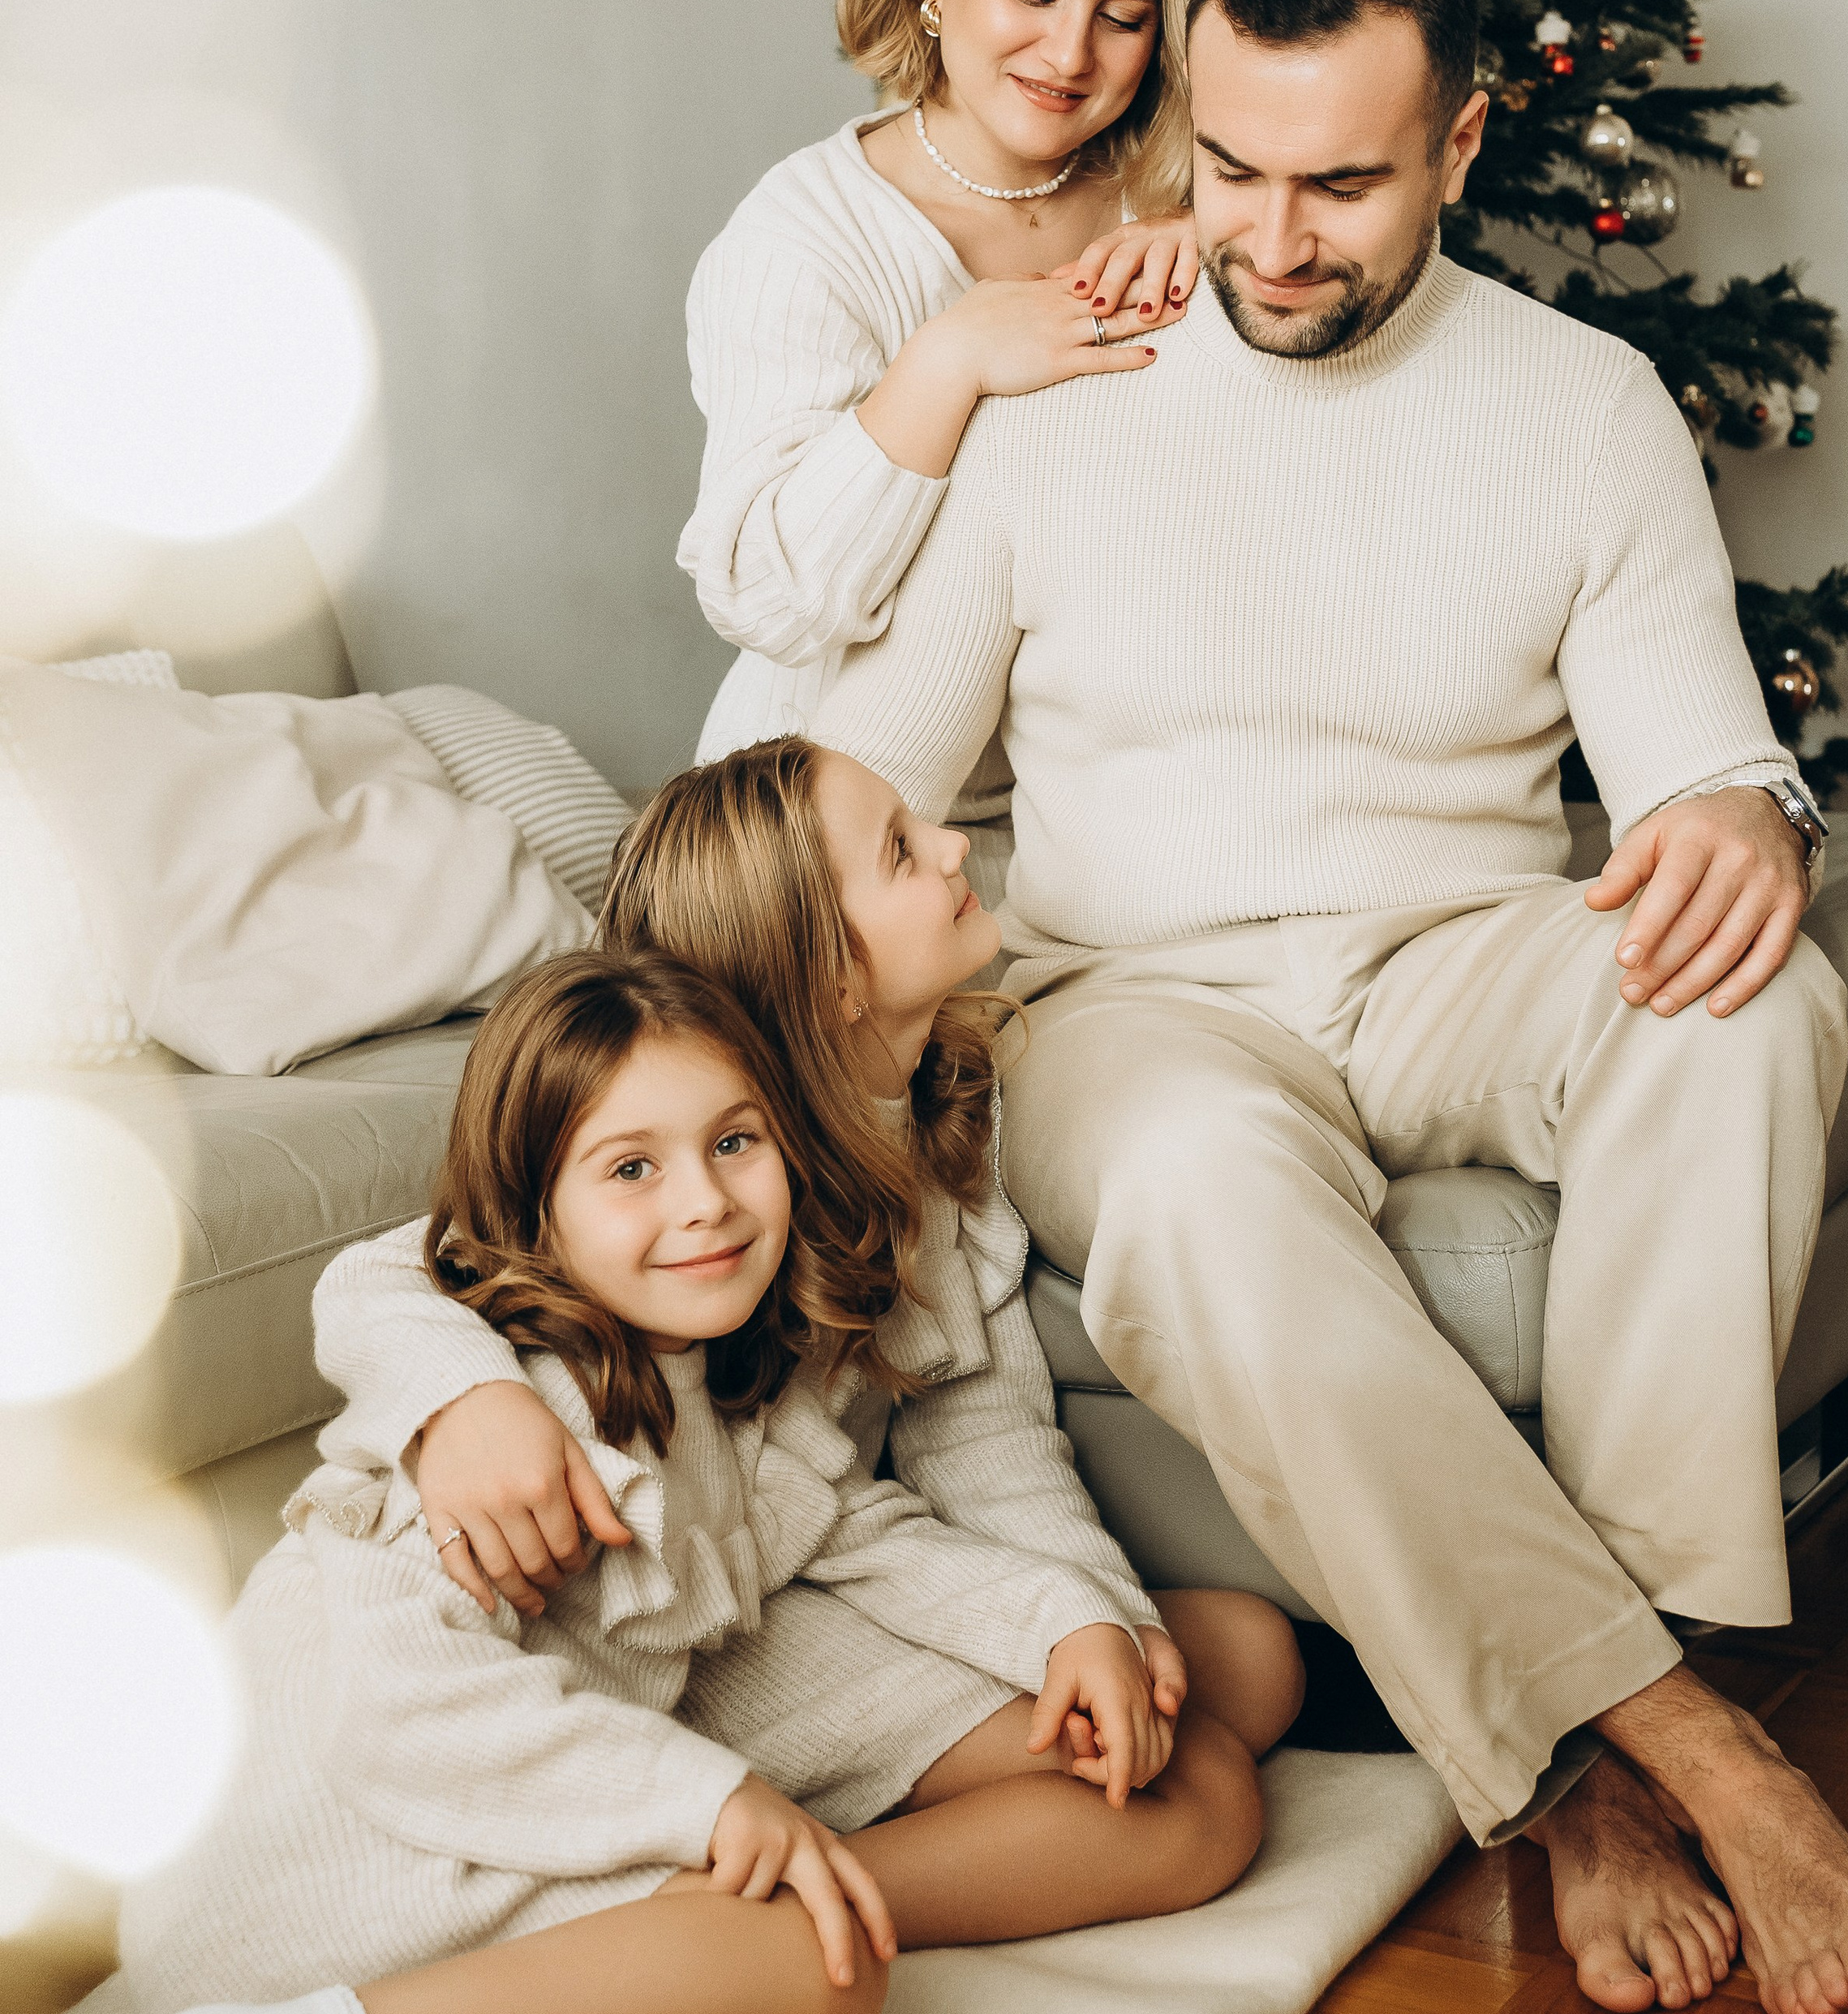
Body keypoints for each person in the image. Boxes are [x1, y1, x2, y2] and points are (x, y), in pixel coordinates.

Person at [808, 0, 1848, 2014]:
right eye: (1229, 167)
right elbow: (848, 772)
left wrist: (1733, 809)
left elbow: (1699, 751)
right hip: (1126, 993)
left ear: (1461, 146)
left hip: (1456, 950)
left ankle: (1598, 1713)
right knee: (1188, 1196)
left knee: (1743, 1004)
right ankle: (1677, 1747)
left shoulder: (1584, 402)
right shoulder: (1065, 381)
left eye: (1341, 181)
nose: (1272, 237)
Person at [123, 952, 1276, 2014]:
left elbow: (850, 1526)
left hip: (452, 1884)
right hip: (317, 1882)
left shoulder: (721, 1376)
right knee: (815, 1974)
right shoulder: (528, 1420)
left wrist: (1067, 1618)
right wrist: (709, 1805)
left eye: (737, 1144)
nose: (708, 1204)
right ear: (534, 1211)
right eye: (633, 1169)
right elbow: (400, 1716)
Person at [322, 737, 1303, 1786]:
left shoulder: (936, 1128)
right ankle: (757, 1895)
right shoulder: (721, 1166)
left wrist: (1093, 1613)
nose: (954, 848)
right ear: (832, 975)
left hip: (841, 1557)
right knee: (1194, 1792)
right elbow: (387, 1271)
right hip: (728, 1599)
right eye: (898, 850)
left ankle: (830, 1841)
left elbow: (979, 1435)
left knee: (1243, 1662)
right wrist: (464, 1398)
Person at [681, 0, 1211, 902]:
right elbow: (769, 602)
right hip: (842, 846)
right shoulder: (801, 238)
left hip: (1104, 824)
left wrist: (1221, 240)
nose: (1072, 55)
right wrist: (947, 361)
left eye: (1122, 15)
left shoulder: (1183, 202)